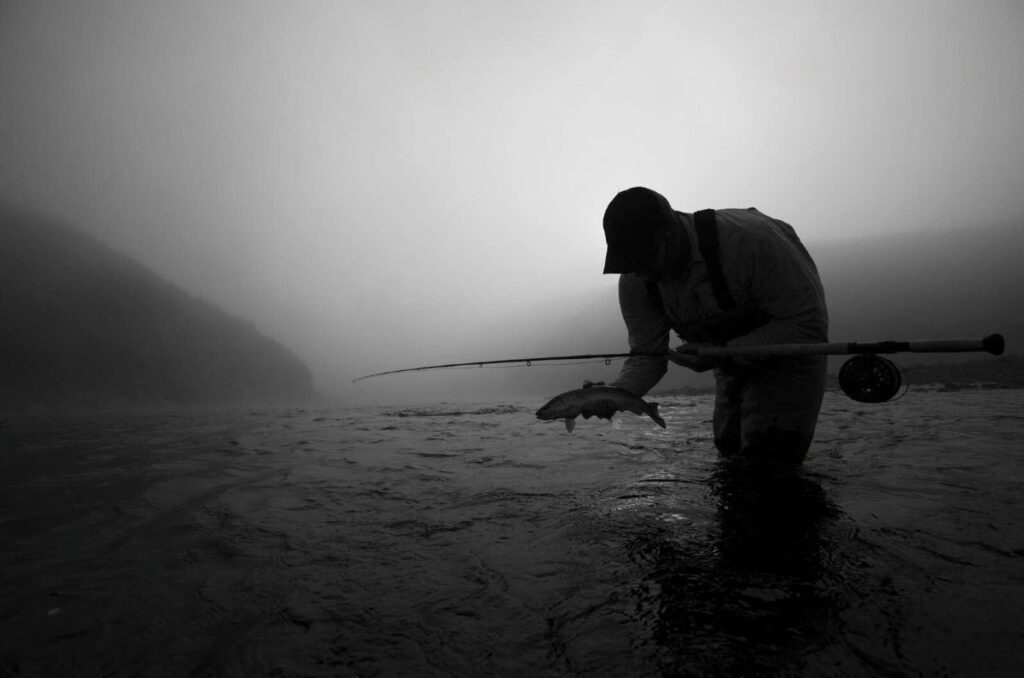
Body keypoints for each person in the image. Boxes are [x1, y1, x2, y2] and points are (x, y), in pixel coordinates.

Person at [600, 186, 829, 466]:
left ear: (669, 235)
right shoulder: (635, 280)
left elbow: (807, 324)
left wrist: (723, 351)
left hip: (791, 358)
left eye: (645, 258)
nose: (640, 270)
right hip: (727, 362)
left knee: (768, 460)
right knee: (729, 453)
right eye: (629, 262)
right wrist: (612, 396)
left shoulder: (752, 239)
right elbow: (648, 358)